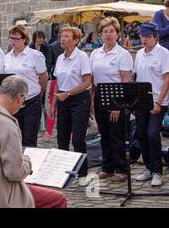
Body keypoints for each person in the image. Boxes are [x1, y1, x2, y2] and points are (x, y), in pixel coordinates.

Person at [0, 75, 67, 208]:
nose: (22, 105)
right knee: (58, 200)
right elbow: (14, 173)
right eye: (23, 102)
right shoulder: (7, 125)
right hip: (0, 197)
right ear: (19, 98)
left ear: (0, 92)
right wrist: (27, 160)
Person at [90, 17, 133, 182]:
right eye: (105, 31)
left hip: (117, 98)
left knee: (117, 135)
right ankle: (107, 167)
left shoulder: (123, 54)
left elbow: (126, 80)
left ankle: (122, 168)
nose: (108, 35)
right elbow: (93, 80)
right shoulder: (95, 53)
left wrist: (118, 105)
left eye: (111, 31)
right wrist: (92, 101)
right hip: (100, 96)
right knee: (104, 134)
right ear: (100, 35)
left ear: (118, 34)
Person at [50, 26, 92, 186]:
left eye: (67, 36)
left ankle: (83, 174)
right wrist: (53, 104)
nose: (63, 39)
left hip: (79, 99)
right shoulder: (60, 58)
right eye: (62, 36)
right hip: (63, 99)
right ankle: (64, 172)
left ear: (75, 40)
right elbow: (58, 83)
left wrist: (68, 94)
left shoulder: (81, 57)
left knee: (78, 139)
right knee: (62, 138)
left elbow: (87, 82)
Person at [134, 21, 169, 186]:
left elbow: (167, 80)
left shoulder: (164, 54)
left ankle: (157, 171)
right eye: (142, 36)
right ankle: (148, 167)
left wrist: (159, 102)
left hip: (158, 101)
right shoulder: (140, 54)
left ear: (156, 37)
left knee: (152, 133)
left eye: (148, 36)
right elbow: (137, 78)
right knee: (140, 134)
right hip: (141, 101)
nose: (144, 39)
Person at [4, 25, 48, 147]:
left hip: (31, 100)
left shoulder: (35, 55)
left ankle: (29, 165)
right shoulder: (7, 57)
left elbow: (44, 77)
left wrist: (39, 92)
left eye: (16, 38)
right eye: (11, 38)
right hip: (13, 101)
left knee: (29, 138)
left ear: (24, 39)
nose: (12, 41)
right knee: (15, 137)